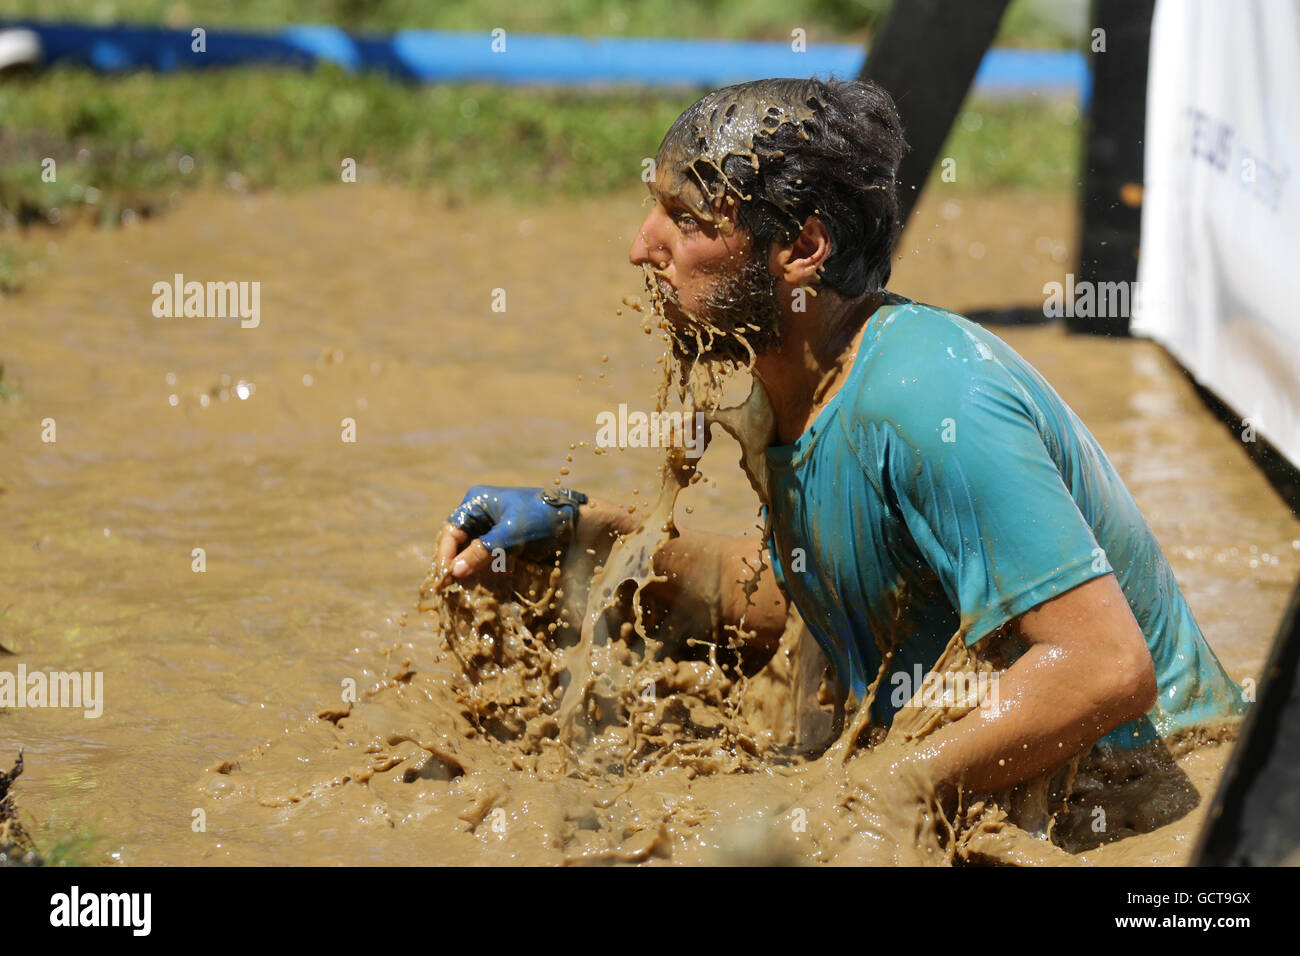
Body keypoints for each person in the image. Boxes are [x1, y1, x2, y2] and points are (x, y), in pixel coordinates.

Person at [433, 77, 1247, 801]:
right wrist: (588, 535)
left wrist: (869, 797)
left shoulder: (929, 399)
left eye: (685, 219)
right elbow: (812, 598)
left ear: (803, 249)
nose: (642, 248)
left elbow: (1106, 670)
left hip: (1154, 803)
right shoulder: (798, 385)